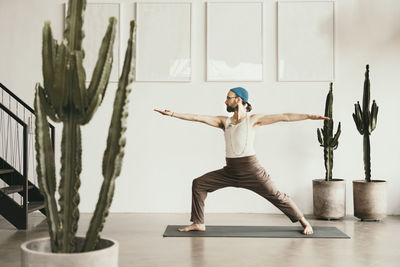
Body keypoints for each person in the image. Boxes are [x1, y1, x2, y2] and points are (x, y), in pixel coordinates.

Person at [154, 87, 329, 235]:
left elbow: (285, 116)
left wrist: (309, 116)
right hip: (230, 170)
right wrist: (173, 114)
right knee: (199, 184)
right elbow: (198, 117)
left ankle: (304, 222)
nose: (225, 101)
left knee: (277, 196)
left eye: (228, 98)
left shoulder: (253, 120)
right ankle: (198, 222)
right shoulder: (225, 121)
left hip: (251, 170)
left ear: (238, 99)